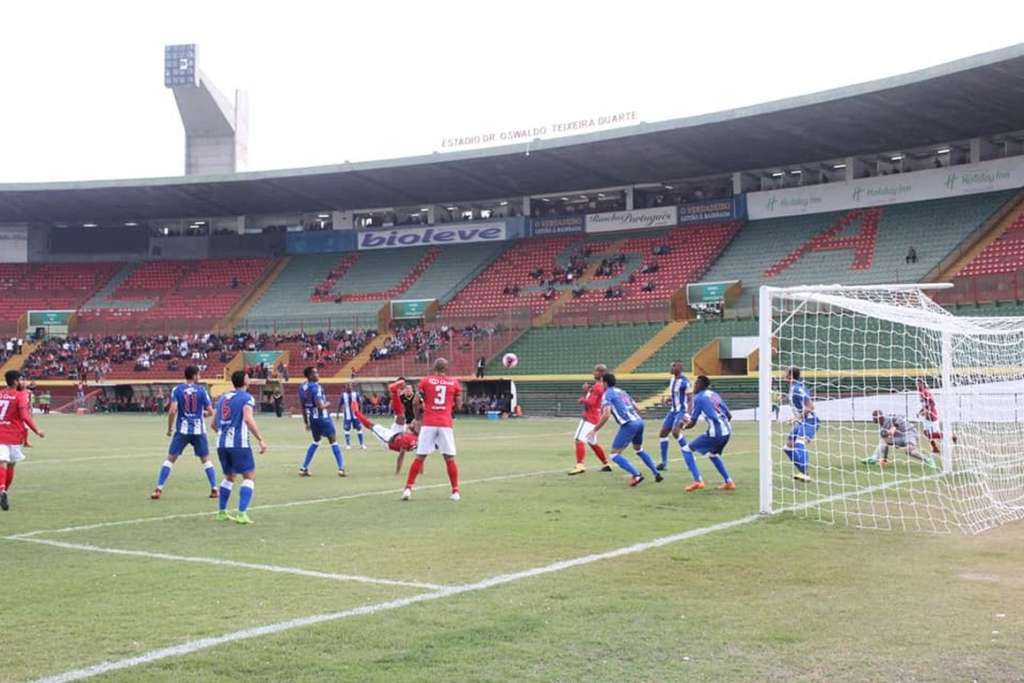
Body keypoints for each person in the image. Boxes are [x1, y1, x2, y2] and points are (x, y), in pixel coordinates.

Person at [150, 366, 217, 500]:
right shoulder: (202, 390)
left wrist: (169, 429)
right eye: (198, 374)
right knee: (206, 460)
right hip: (199, 431)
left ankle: (158, 489)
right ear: (194, 376)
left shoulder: (177, 389)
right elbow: (211, 412)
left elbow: (172, 411)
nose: (200, 376)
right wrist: (201, 414)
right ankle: (214, 489)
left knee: (170, 459)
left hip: (182, 431)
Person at [211, 370, 267, 524]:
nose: (249, 378)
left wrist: (224, 433)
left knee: (229, 476)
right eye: (248, 377)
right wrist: (260, 439)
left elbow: (213, 424)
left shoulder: (222, 397)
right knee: (249, 476)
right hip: (238, 443)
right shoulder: (246, 398)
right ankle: (242, 514)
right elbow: (248, 419)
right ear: (244, 381)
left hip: (221, 444)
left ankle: (222, 512)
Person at [401, 358, 461, 501]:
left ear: (433, 368)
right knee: (449, 458)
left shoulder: (426, 381)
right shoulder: (453, 382)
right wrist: (448, 409)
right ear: (446, 369)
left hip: (428, 423)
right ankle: (455, 491)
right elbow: (458, 405)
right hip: (445, 424)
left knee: (420, 456)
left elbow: (416, 402)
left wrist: (417, 419)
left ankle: (408, 489)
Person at [591, 372, 661, 487]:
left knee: (614, 455)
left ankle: (637, 474)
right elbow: (637, 408)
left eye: (602, 382)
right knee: (639, 449)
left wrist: (595, 429)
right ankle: (656, 473)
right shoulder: (622, 392)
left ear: (605, 383)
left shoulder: (607, 394)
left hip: (629, 424)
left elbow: (606, 414)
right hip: (639, 422)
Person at [680, 375, 736, 491]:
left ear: (700, 385)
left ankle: (698, 481)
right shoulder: (713, 394)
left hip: (716, 432)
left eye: (695, 384)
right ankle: (729, 482)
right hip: (727, 431)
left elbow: (693, 421)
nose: (694, 387)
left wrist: (683, 427)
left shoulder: (699, 398)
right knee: (713, 454)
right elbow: (729, 415)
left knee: (686, 449)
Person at [0, 370, 45, 511]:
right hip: (14, 435)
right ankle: (4, 490)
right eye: (21, 379)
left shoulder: (0, 393)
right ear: (15, 381)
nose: (24, 381)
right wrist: (37, 430)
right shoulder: (21, 395)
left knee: (2, 463)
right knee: (11, 465)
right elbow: (25, 416)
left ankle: (2, 490)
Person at [348, 396, 419, 475]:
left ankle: (356, 412)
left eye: (414, 423)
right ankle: (394, 391)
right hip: (398, 433)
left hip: (388, 440)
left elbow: (401, 456)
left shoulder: (408, 440)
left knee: (372, 426)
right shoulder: (415, 435)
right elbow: (420, 455)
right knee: (401, 417)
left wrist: (397, 473)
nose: (413, 421)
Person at [297, 367, 345, 477]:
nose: (318, 374)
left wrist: (306, 422)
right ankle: (341, 468)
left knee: (316, 441)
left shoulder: (302, 387)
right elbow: (320, 406)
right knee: (333, 441)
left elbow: (302, 407)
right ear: (310, 375)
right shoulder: (316, 387)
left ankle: (303, 468)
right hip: (323, 418)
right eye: (315, 373)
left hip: (312, 419)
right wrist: (327, 404)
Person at [568, 363, 612, 475]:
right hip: (596, 417)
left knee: (579, 439)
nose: (594, 373)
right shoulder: (600, 386)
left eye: (596, 371)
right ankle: (606, 463)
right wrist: (587, 390)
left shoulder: (597, 386)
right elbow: (595, 399)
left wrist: (582, 399)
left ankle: (580, 465)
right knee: (593, 442)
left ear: (600, 373)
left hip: (589, 417)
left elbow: (591, 402)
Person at [862, 410, 936, 469]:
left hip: (909, 433)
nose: (875, 419)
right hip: (899, 438)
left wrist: (894, 427)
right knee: (883, 440)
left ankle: (928, 460)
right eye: (874, 418)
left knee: (909, 451)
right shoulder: (882, 427)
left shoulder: (889, 418)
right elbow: (885, 435)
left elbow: (900, 417)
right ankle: (877, 458)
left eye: (876, 418)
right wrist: (890, 436)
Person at [783, 367, 817, 482]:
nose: (784, 375)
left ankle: (804, 473)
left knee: (799, 442)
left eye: (786, 373)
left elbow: (810, 406)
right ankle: (803, 472)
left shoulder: (797, 388)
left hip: (810, 421)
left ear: (790, 376)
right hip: (802, 421)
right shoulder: (796, 387)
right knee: (788, 446)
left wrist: (797, 417)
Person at [657, 361, 693, 471]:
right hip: (673, 411)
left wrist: (688, 414)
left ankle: (690, 460)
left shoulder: (685, 382)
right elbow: (675, 394)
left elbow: (691, 399)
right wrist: (669, 400)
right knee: (663, 433)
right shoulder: (672, 380)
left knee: (675, 432)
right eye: (671, 365)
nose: (671, 367)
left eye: (673, 366)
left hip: (681, 411)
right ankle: (664, 463)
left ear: (679, 368)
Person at [916, 378, 955, 455]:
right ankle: (935, 448)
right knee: (926, 432)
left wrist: (927, 412)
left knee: (931, 434)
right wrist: (920, 412)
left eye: (919, 383)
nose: (918, 385)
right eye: (917, 384)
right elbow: (925, 405)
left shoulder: (925, 392)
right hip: (927, 416)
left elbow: (932, 403)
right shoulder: (921, 392)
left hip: (931, 416)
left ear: (923, 384)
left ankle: (950, 435)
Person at [337, 383, 366, 450]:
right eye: (347, 387)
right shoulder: (343, 395)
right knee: (347, 429)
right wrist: (338, 414)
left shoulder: (356, 394)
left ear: (352, 387)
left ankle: (362, 444)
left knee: (359, 428)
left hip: (356, 415)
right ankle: (348, 445)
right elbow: (339, 405)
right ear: (345, 388)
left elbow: (360, 403)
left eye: (350, 387)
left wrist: (360, 413)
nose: (349, 388)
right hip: (347, 416)